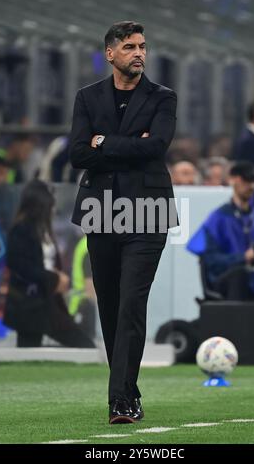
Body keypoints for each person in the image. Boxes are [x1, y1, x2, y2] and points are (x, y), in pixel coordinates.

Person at [69, 21, 179, 424]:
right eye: (130, 46)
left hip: (148, 213)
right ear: (110, 53)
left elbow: (157, 147)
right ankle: (128, 390)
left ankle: (120, 401)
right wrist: (127, 146)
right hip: (101, 211)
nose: (139, 53)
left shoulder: (164, 97)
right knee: (112, 306)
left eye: (143, 46)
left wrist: (105, 142)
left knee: (132, 301)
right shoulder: (87, 97)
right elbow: (79, 153)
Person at [3, 179, 96, 348]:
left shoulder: (44, 231)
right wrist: (54, 279)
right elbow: (22, 268)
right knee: (80, 346)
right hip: (30, 303)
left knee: (81, 344)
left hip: (48, 300)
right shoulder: (21, 231)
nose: (54, 209)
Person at [187, 161, 254, 300]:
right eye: (246, 180)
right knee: (241, 275)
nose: (251, 186)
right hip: (228, 281)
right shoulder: (218, 218)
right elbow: (212, 261)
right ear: (233, 180)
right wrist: (244, 258)